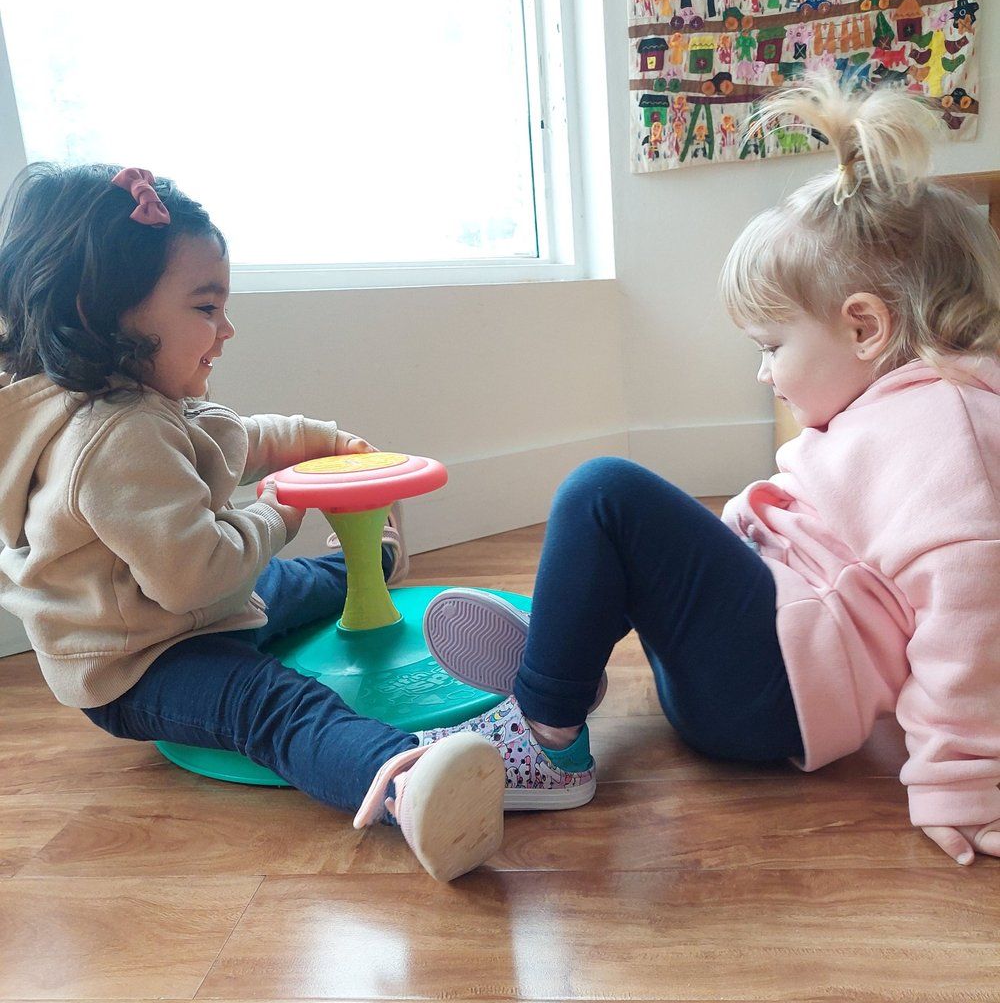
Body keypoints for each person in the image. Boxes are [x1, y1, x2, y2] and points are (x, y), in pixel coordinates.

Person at [422, 77, 1000, 867]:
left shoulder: (941, 421)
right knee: (633, 531)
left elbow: (974, 606)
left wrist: (964, 779)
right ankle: (565, 653)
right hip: (759, 684)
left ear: (864, 327)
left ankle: (543, 732)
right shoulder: (899, 412)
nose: (766, 374)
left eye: (772, 346)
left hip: (770, 695)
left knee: (604, 494)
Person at [0, 164, 591, 883]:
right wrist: (279, 508)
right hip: (141, 660)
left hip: (186, 607)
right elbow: (198, 577)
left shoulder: (142, 402)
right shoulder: (116, 436)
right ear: (104, 311)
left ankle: (363, 567)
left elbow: (234, 437)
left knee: (293, 584)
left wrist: (322, 442)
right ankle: (407, 786)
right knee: (273, 705)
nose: (226, 329)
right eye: (206, 307)